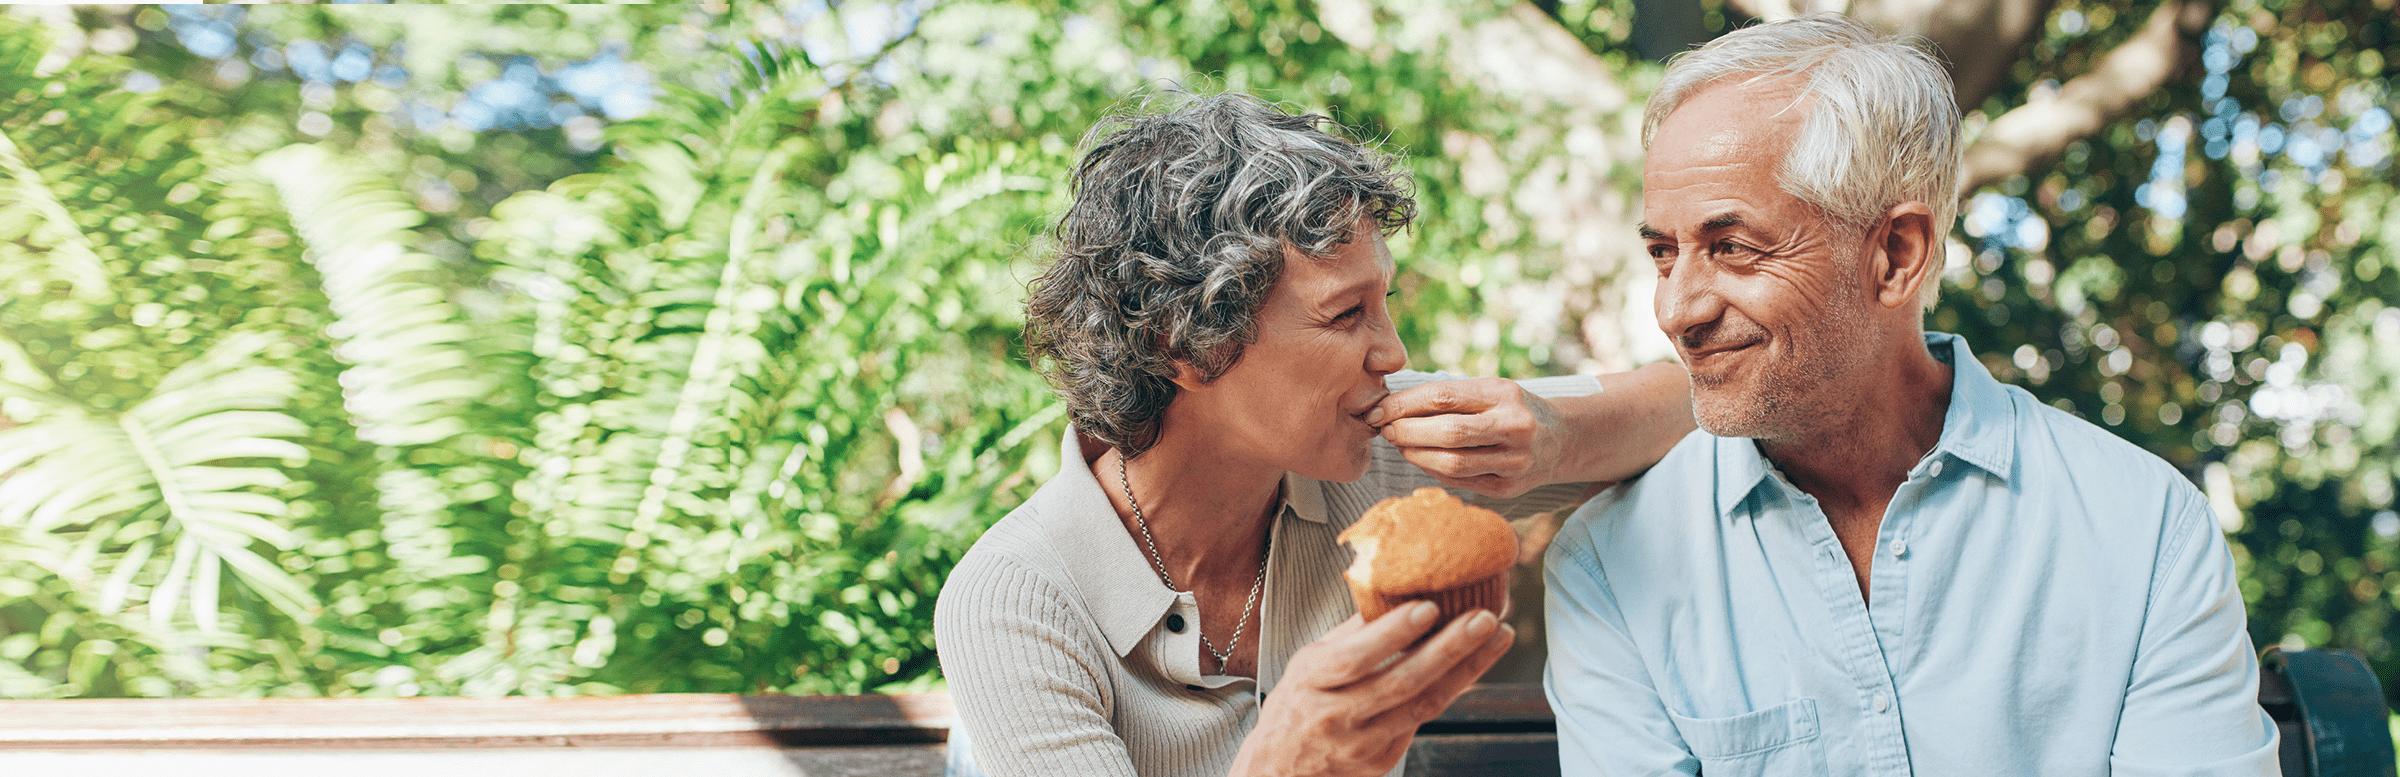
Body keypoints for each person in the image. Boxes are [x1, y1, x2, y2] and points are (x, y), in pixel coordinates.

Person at [1540, 14, 2279, 776]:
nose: (1676, 311)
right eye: (1664, 254)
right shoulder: (1610, 564)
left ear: (1896, 254)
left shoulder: (2144, 529)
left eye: (1733, 248)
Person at [933, 92, 1696, 777]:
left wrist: (1557, 437)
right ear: (1188, 346)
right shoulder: (1014, 603)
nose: (1393, 354)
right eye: (1345, 315)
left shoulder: (1384, 452)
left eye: (1383, 302)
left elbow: (1695, 399)